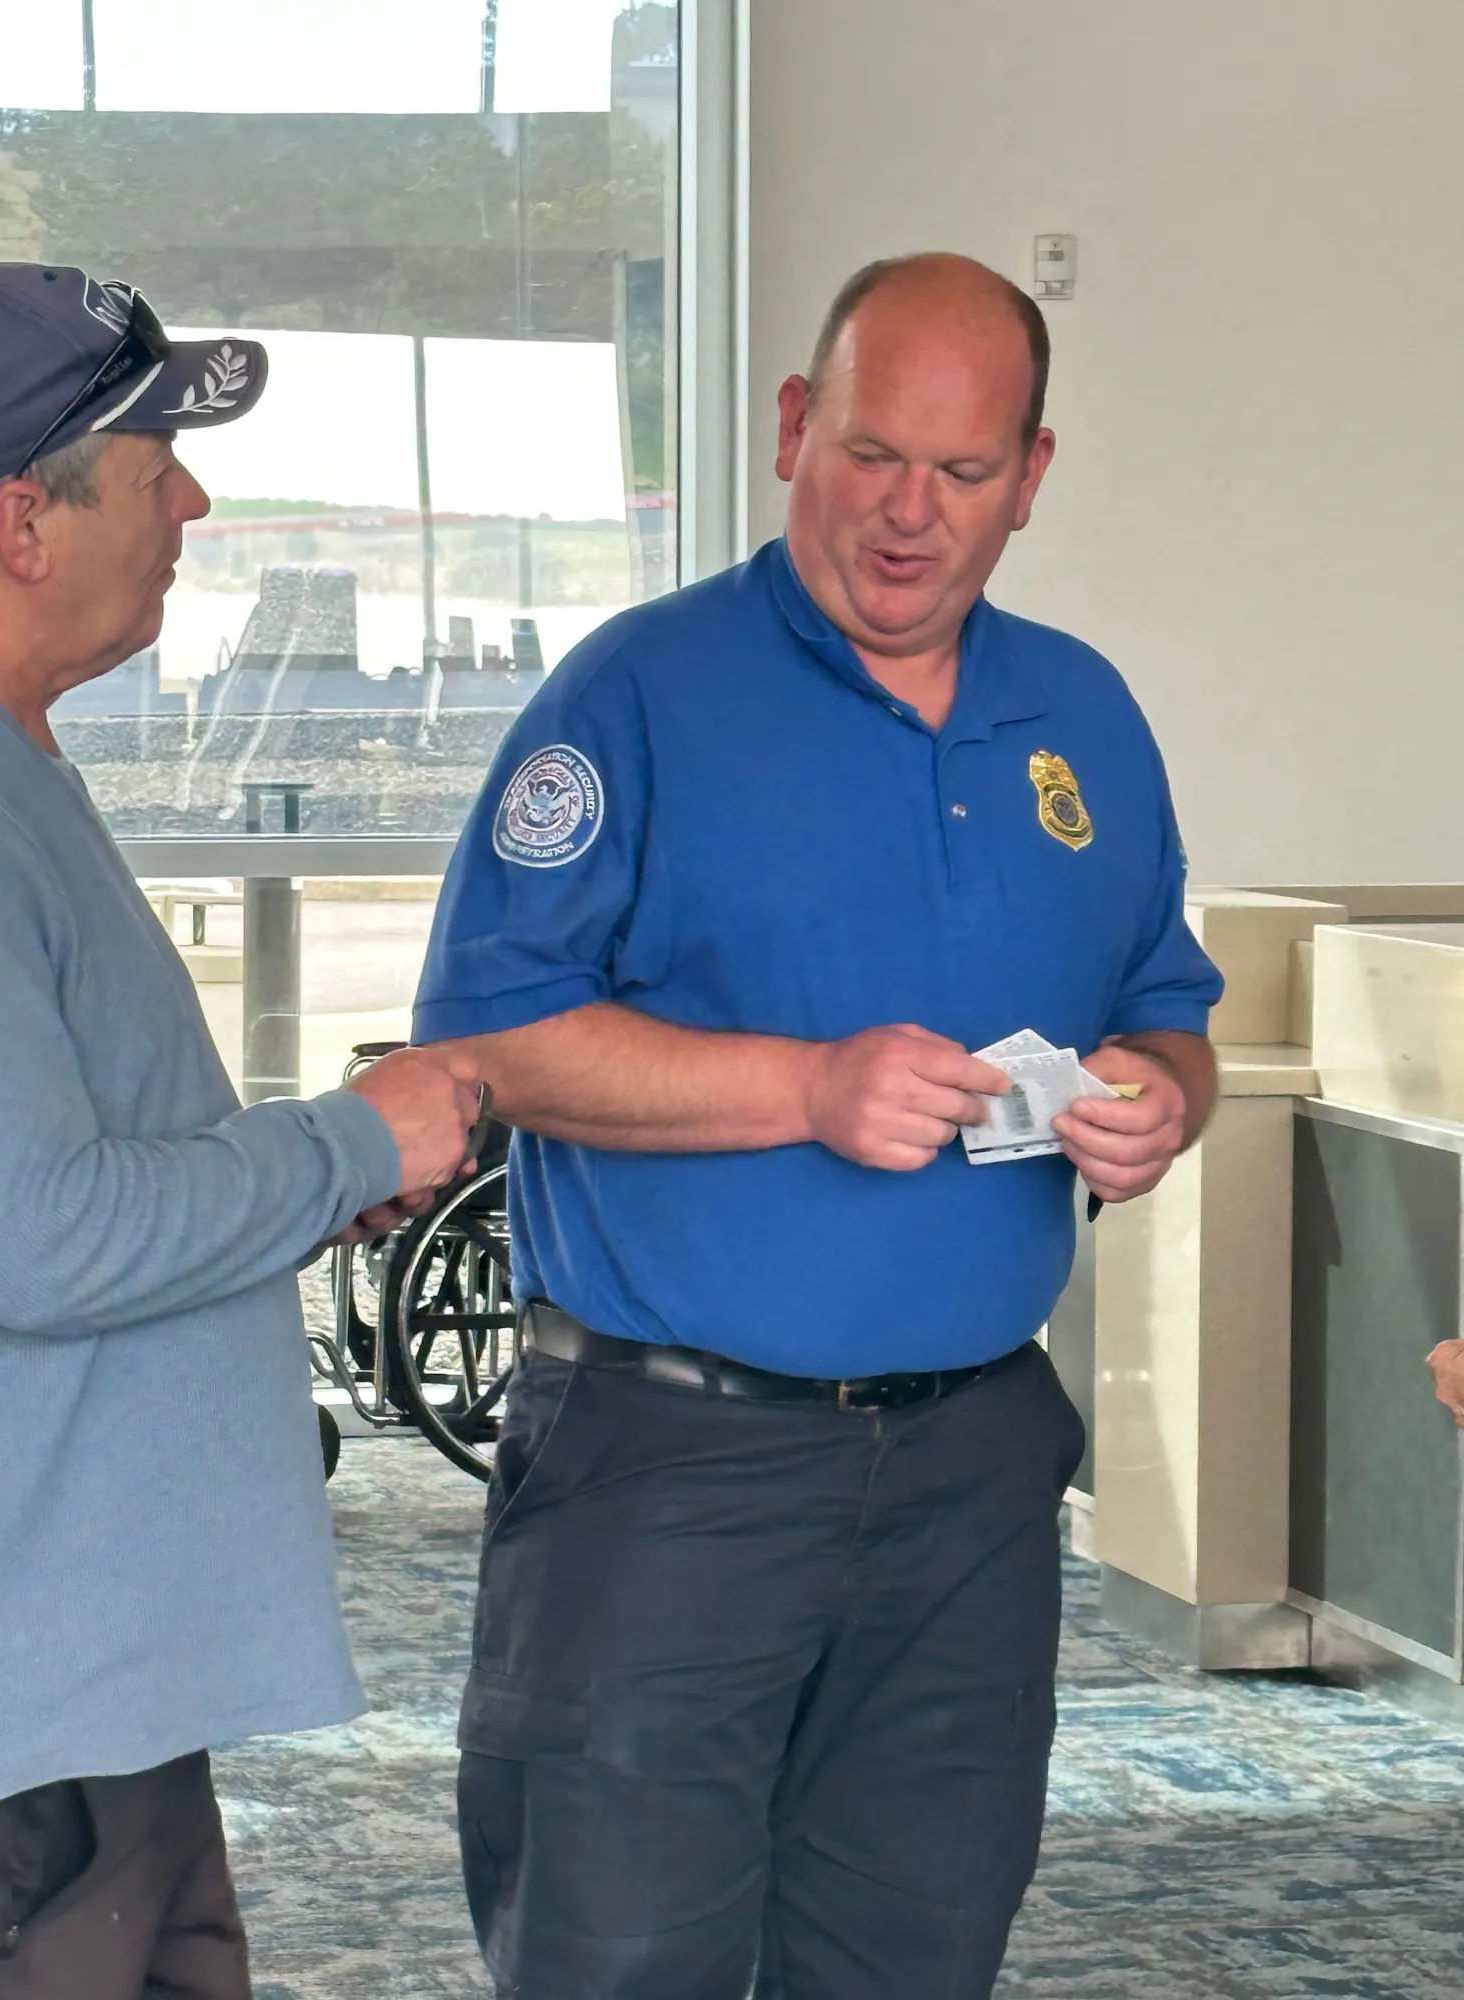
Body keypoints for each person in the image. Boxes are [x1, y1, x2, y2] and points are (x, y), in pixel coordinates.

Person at [412, 252, 1224, 1999]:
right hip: (669, 1468)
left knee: (914, 1954)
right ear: (793, 428)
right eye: (870, 455)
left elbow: (1165, 999)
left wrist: (1164, 1101)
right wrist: (800, 1085)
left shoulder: (1077, 711)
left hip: (971, 1473)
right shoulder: (637, 692)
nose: (909, 516)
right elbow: (488, 1041)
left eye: (962, 472)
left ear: (1031, 475)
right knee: (617, 1959)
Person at [0, 262, 479, 2000]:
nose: (192, 497)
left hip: (73, 1673)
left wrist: (311, 1194)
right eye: (153, 453)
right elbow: (42, 1236)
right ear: (26, 519)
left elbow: (49, 1175)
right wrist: (342, 1147)